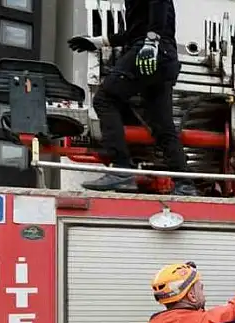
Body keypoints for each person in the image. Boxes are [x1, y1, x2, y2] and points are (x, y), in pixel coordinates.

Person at [67, 0, 195, 195]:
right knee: (163, 127)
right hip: (165, 58)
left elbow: (157, 5)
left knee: (105, 99)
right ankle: (185, 184)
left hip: (148, 50)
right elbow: (134, 32)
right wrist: (97, 42)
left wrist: (151, 42)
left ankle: (121, 169)